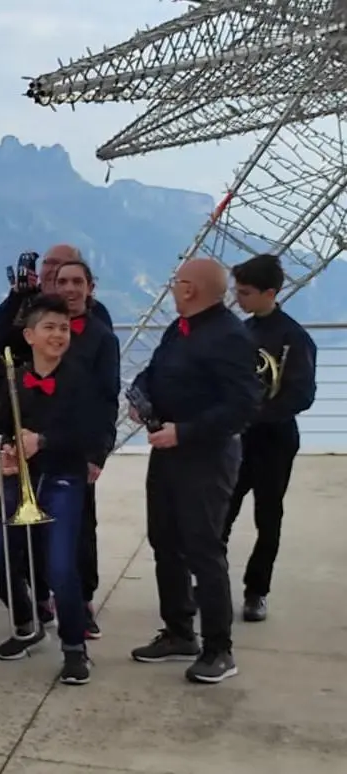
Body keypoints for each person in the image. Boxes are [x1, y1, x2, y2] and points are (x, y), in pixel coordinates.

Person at [128, 258, 261, 684]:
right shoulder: (178, 329)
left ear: (191, 289)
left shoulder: (230, 336)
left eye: (176, 281)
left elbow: (243, 405)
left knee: (203, 549)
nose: (171, 287)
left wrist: (183, 432)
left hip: (205, 457)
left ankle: (219, 649)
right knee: (164, 541)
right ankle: (179, 631)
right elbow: (154, 372)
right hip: (166, 453)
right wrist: (142, 397)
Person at [0, 295, 105, 685]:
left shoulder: (82, 378)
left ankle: (75, 648)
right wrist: (5, 450)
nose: (58, 334)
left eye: (64, 328)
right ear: (29, 335)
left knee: (59, 567)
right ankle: (26, 625)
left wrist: (44, 441)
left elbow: (90, 433)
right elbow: (2, 427)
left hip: (63, 479)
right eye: (50, 327)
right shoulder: (15, 379)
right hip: (17, 478)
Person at [224, 253, 317, 623]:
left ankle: (256, 591)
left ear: (270, 293)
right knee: (222, 512)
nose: (239, 299)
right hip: (239, 440)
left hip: (275, 439)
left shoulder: (294, 337)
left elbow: (302, 394)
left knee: (268, 516)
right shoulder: (241, 331)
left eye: (245, 292)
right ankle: (209, 582)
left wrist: (256, 414)